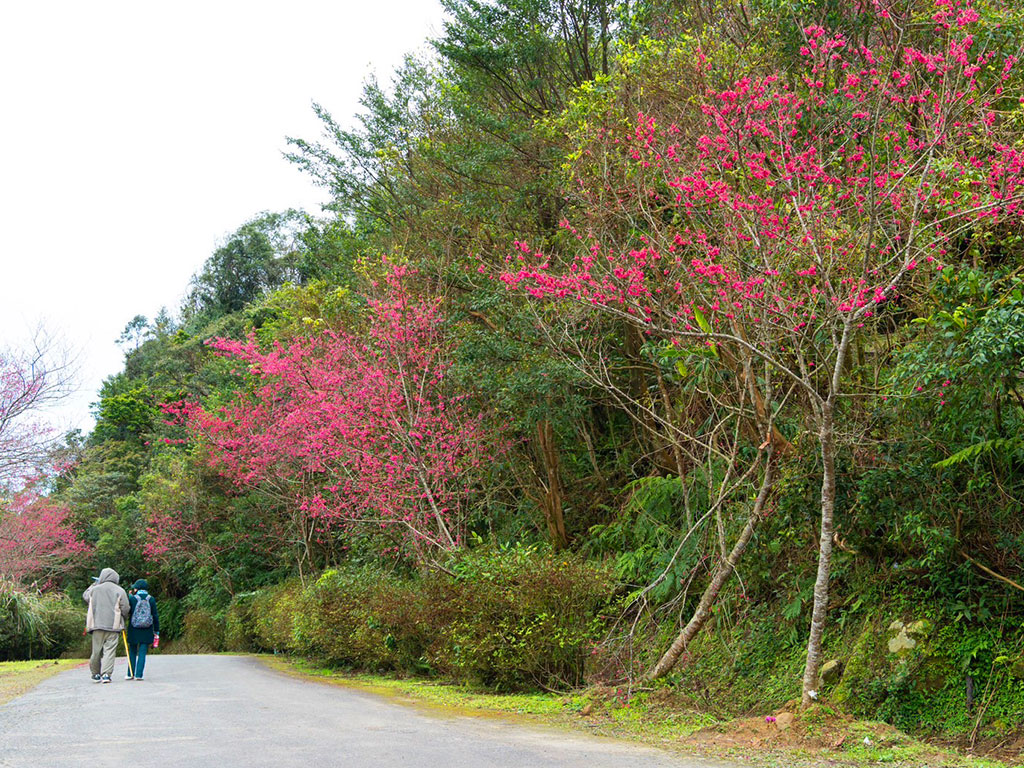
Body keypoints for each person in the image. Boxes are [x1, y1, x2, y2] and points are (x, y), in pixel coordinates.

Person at [82, 568, 130, 683]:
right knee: (109, 651)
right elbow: (126, 608)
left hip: (96, 625)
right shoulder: (120, 590)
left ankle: (95, 674)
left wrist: (94, 584)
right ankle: (106, 675)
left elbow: (85, 596)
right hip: (113, 626)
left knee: (96, 651)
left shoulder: (94, 590)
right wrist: (123, 618)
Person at [125, 579, 160, 681]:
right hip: (147, 628)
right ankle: (139, 675)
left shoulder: (132, 599)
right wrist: (156, 630)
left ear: (137, 588)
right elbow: (155, 616)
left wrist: (130, 597)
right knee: (142, 651)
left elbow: (128, 612)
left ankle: (130, 673)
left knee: (132, 650)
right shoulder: (151, 599)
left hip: (134, 628)